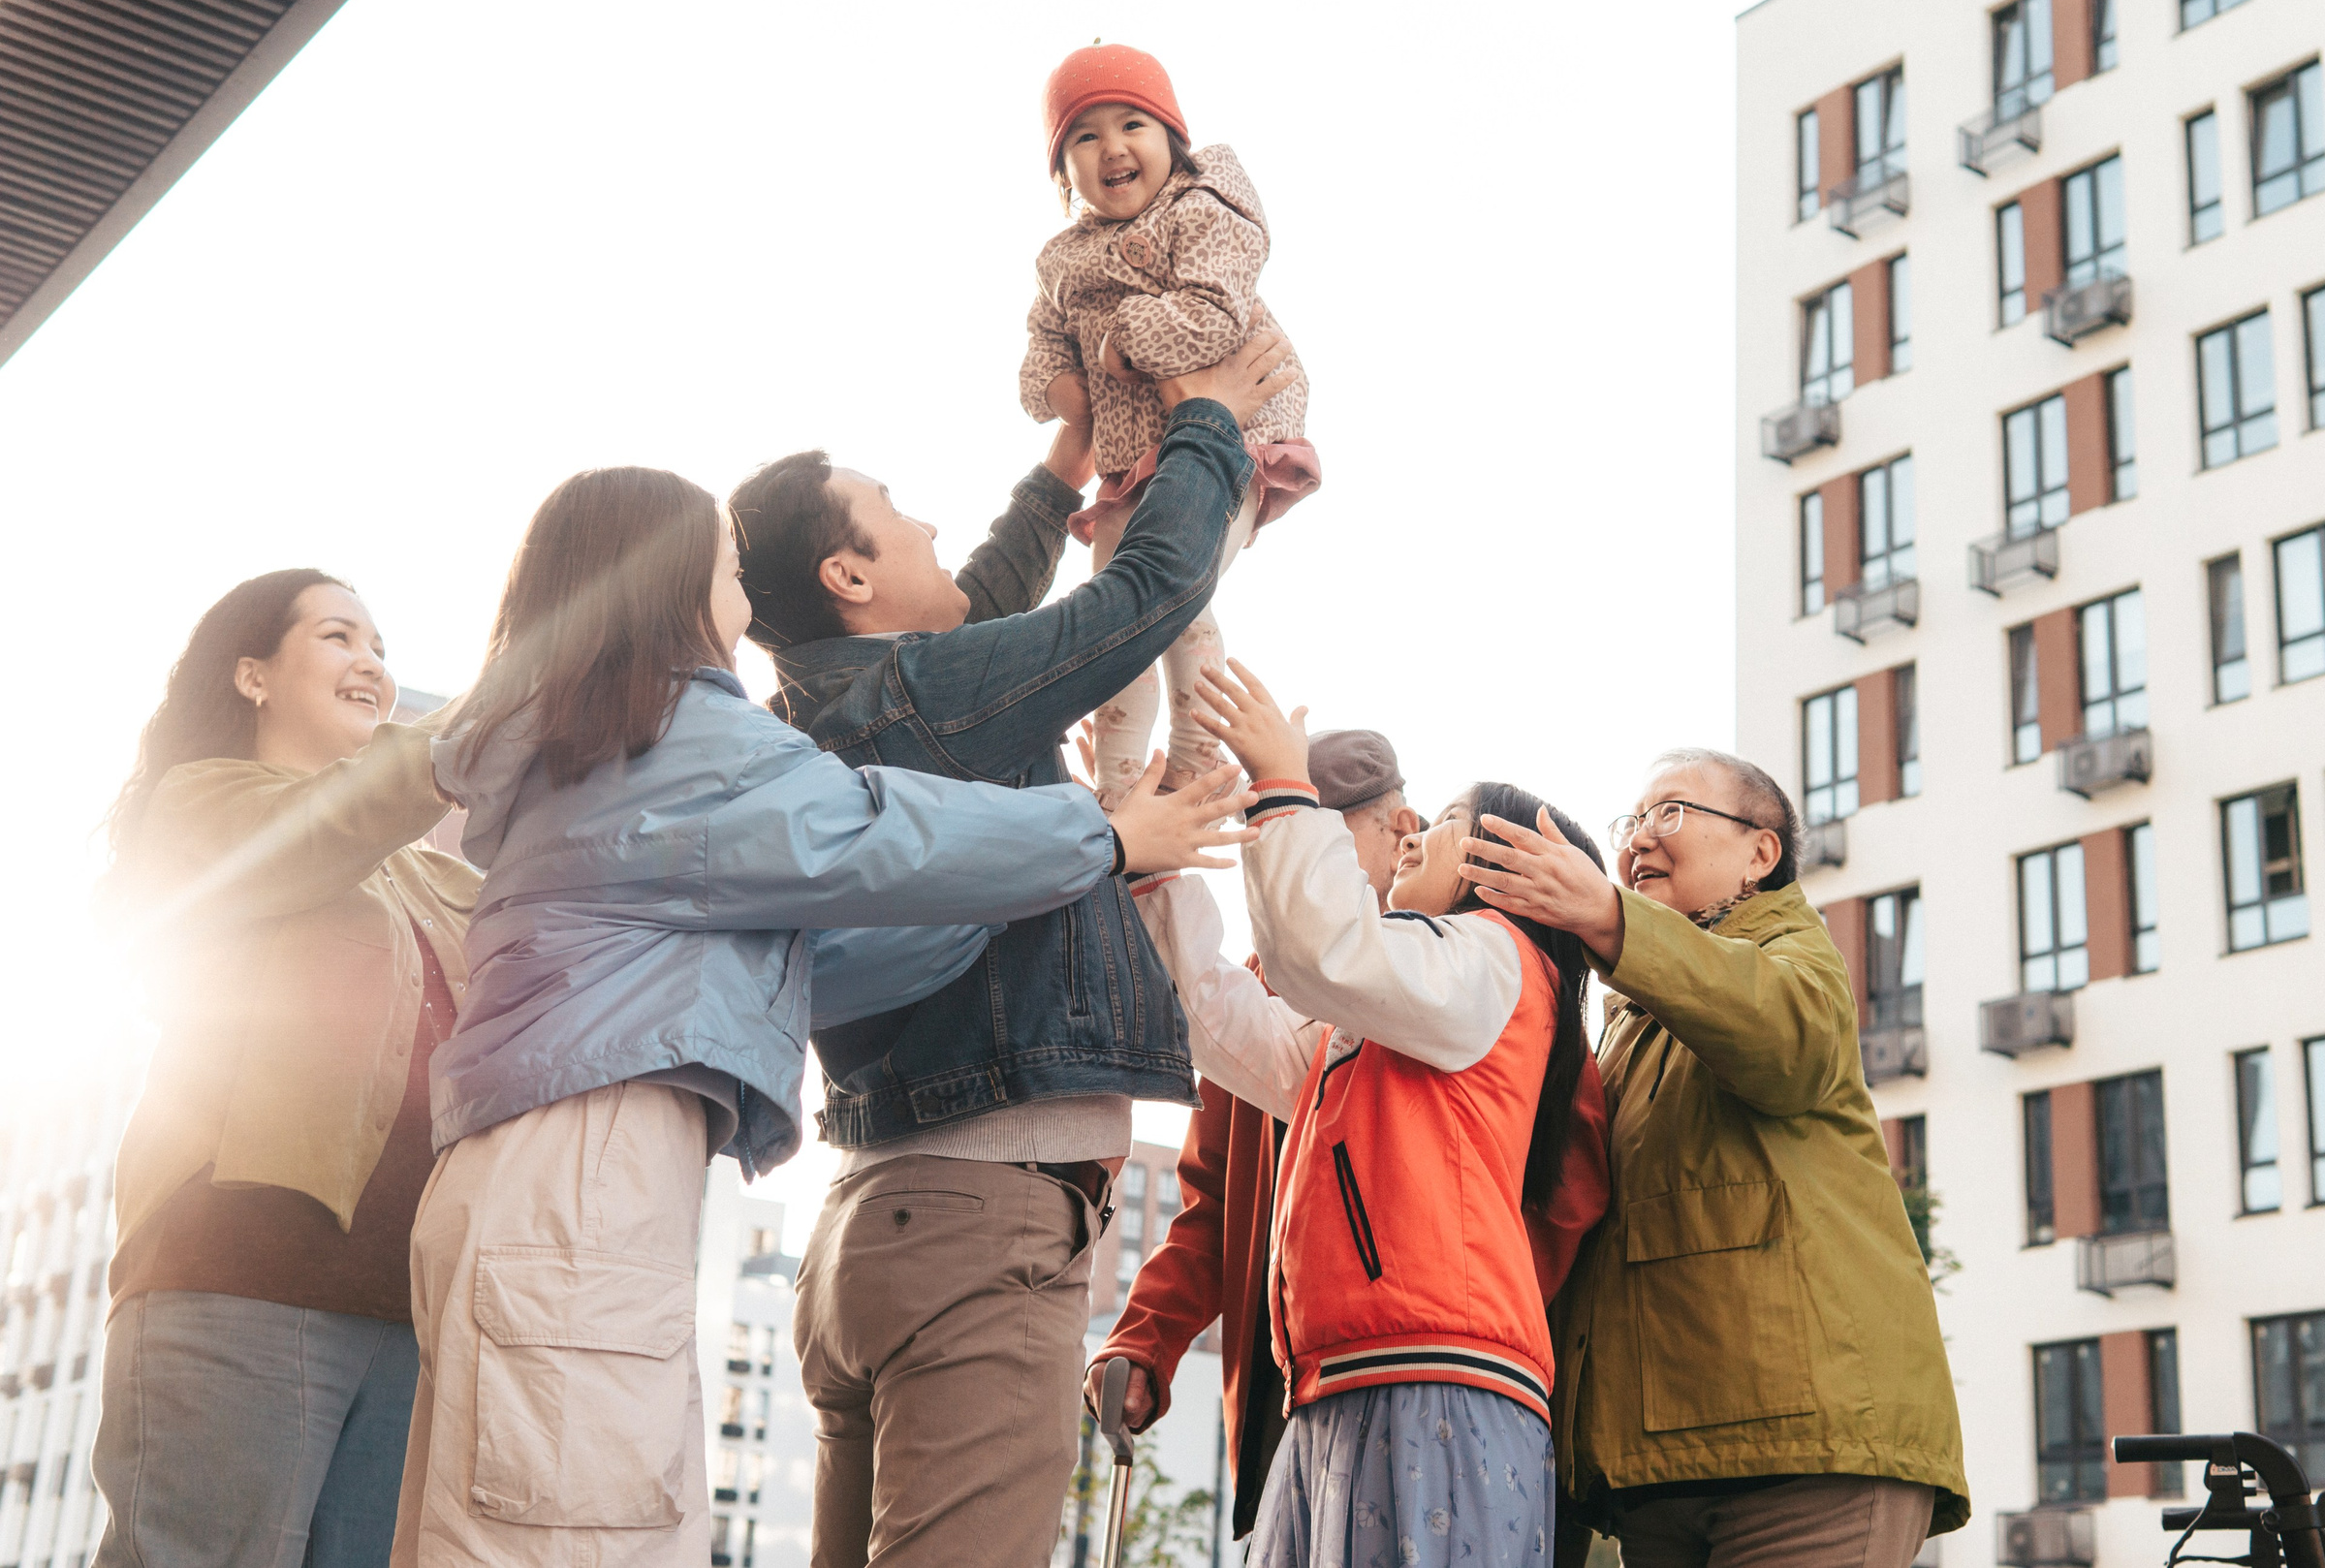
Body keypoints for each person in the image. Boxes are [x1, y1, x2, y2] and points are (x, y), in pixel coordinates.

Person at [392, 466, 1246, 1567]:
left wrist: (1025, 881)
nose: (740, 570)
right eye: (722, 555)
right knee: (569, 1536)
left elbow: (817, 953)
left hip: (560, 1183)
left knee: (529, 1527)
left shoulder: (590, 750)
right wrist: (1100, 837)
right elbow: (869, 829)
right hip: (587, 1181)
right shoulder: (679, 744)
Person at [728, 329, 1293, 1567]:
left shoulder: (830, 714)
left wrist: (1057, 472)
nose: (929, 525)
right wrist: (1209, 419)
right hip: (977, 1232)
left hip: (880, 1226)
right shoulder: (920, 700)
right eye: (896, 514)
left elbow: (983, 607)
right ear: (849, 577)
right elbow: (1140, 600)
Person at [1451, 748, 1969, 1568]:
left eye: (1673, 813)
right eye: (1633, 822)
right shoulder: (1635, 1018)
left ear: (1761, 854)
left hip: (1809, 1458)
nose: (1640, 841)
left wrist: (1611, 921)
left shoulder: (1801, 958)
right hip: (1660, 1469)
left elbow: (1783, 1040)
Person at [1093, 732, 1613, 1549]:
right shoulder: (1360, 999)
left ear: (1501, 866)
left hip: (1436, 1365)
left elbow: (1320, 949)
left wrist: (1278, 780)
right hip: (1337, 1373)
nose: (1411, 838)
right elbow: (1230, 1029)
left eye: (1443, 821)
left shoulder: (1490, 963)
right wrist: (1152, 868)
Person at [93, 569, 470, 1568]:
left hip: (408, 1306)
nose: (372, 664)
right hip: (243, 1276)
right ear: (253, 676)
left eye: (381, 648)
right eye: (340, 637)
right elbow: (335, 823)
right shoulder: (203, 802)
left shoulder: (435, 871)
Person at [1020, 42, 1321, 803]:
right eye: (1084, 137)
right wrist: (1059, 387)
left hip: (1227, 437)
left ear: (1172, 140)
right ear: (1065, 174)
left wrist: (1124, 343)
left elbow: (1215, 310)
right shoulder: (1061, 260)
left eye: (1132, 125)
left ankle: (1194, 752)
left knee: (1173, 596)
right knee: (1112, 613)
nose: (1112, 148)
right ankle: (1118, 785)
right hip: (1129, 466)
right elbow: (1043, 342)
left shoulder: (1205, 206)